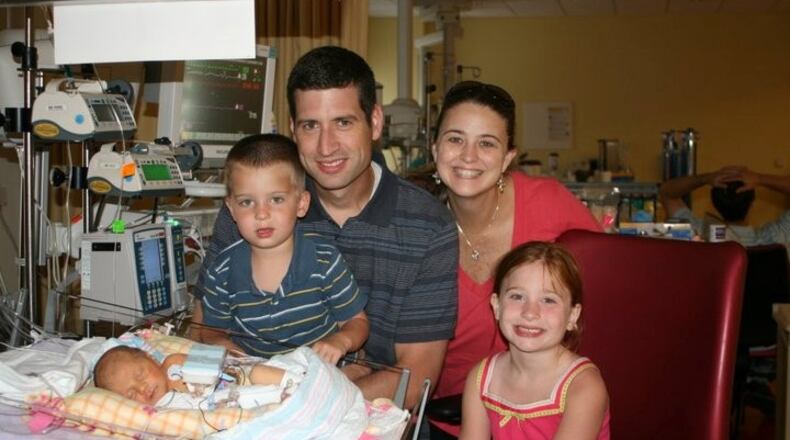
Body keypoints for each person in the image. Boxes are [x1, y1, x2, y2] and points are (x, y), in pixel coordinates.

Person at [192, 46, 458, 411]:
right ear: (292, 130)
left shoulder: (428, 227)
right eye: (310, 125)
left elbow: (413, 381)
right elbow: (205, 329)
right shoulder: (252, 213)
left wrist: (296, 402)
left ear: (375, 122)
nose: (326, 146)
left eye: (343, 123)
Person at [426, 80, 601, 437]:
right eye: (455, 139)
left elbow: (607, 283)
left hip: (550, 416)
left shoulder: (548, 203)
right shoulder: (418, 229)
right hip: (450, 421)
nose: (468, 156)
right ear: (435, 148)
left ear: (508, 157)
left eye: (486, 143)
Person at [200, 133, 368, 365]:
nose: (261, 214)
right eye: (247, 202)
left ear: (301, 203)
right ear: (231, 209)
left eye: (276, 199)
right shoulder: (221, 272)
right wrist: (224, 346)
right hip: (257, 380)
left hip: (323, 376)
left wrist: (341, 342)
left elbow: (357, 323)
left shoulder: (324, 260)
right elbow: (210, 331)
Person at [460, 241, 610, 440]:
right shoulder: (481, 379)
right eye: (517, 296)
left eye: (548, 300)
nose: (530, 313)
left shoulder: (584, 387)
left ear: (572, 317)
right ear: (496, 306)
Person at [93, 345, 288, 407]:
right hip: (229, 403)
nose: (142, 388)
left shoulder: (172, 364)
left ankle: (297, 383)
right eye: (131, 395)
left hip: (241, 378)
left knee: (259, 372)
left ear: (151, 358)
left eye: (140, 374)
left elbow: (218, 361)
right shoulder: (159, 410)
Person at [660, 166, 790, 245]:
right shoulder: (776, 238)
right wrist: (760, 179)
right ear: (752, 203)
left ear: (714, 204)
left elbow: (667, 192)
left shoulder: (696, 234)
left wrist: (704, 179)